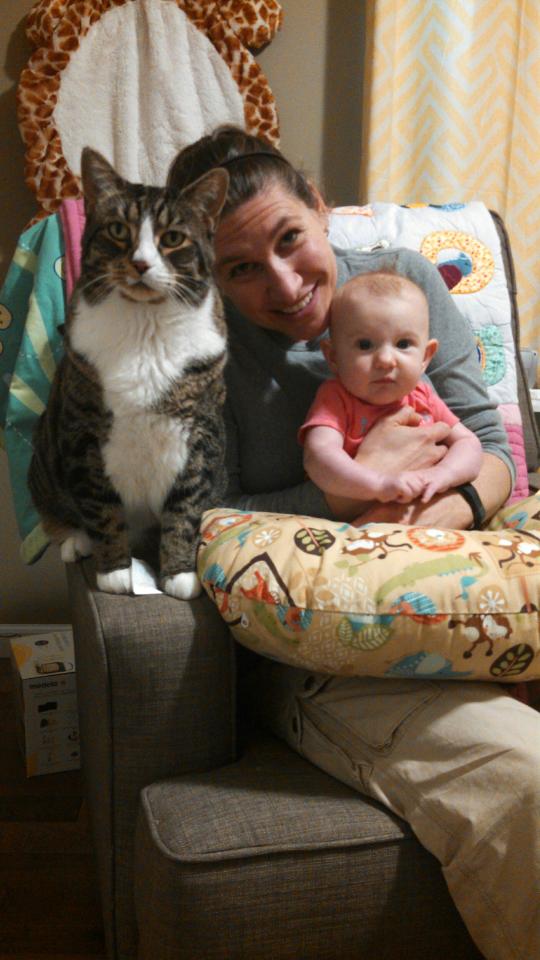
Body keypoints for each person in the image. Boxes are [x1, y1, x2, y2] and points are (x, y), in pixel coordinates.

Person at [170, 125, 540, 960]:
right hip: (328, 646)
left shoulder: (403, 281)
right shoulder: (202, 351)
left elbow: (492, 451)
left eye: (289, 239)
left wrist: (417, 533)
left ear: (321, 207)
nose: (284, 283)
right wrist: (353, 487)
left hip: (461, 578)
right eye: (240, 268)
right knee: (525, 780)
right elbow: (207, 515)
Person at [300, 270, 483, 506]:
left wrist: (443, 474)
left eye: (403, 344)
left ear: (425, 356)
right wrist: (379, 483)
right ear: (333, 357)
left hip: (429, 515)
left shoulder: (423, 395)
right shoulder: (335, 398)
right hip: (361, 519)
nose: (386, 360)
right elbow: (318, 457)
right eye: (365, 345)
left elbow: (469, 444)